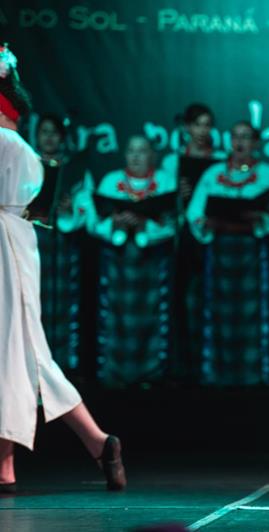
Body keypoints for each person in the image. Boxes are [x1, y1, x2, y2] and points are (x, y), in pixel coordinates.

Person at [0, 44, 125, 494]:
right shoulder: (19, 147)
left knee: (19, 352)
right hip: (13, 240)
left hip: (7, 247)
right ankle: (94, 443)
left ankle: (13, 465)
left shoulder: (9, 144)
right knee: (17, 354)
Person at [186, 121, 269, 385]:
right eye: (236, 136)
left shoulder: (267, 174)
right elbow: (195, 212)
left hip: (252, 251)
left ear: (255, 143)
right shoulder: (213, 173)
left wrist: (260, 217)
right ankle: (218, 373)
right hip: (220, 250)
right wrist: (208, 222)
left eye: (246, 137)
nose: (240, 142)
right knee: (218, 312)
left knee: (252, 313)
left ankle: (252, 375)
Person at [83, 135, 178, 387]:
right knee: (115, 317)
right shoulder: (111, 181)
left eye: (142, 151)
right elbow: (94, 222)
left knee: (151, 317)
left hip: (152, 262)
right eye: (131, 151)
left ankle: (150, 374)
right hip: (117, 261)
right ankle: (114, 374)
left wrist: (146, 223)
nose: (136, 156)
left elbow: (174, 223)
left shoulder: (165, 181)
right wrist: (115, 222)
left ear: (152, 155)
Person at [160, 103, 225, 381]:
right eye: (197, 124)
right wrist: (178, 193)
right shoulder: (173, 162)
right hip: (183, 236)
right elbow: (162, 201)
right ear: (186, 128)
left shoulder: (221, 161)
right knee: (180, 297)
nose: (202, 130)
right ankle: (181, 364)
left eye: (207, 124)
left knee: (209, 297)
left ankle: (208, 362)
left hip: (212, 235)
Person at [31, 113, 93, 374]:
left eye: (54, 133)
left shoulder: (74, 170)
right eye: (44, 132)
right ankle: (32, 362)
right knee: (33, 300)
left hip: (63, 240)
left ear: (63, 137)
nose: (49, 138)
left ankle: (62, 362)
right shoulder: (26, 164)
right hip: (31, 240)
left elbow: (86, 208)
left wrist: (69, 208)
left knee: (63, 299)